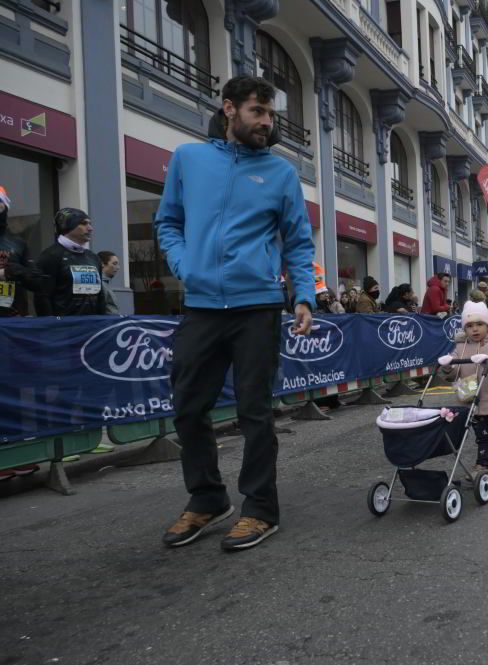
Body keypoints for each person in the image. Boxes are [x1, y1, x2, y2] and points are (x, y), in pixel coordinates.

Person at [155, 75, 315, 552]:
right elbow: (168, 222)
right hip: (201, 306)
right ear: (229, 109)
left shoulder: (281, 172)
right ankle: (207, 499)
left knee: (255, 412)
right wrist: (185, 265)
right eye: (256, 112)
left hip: (258, 307)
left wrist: (303, 296)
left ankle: (260, 509)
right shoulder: (188, 159)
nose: (266, 123)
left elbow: (298, 242)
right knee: (188, 407)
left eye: (270, 114)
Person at [437, 301, 488, 475]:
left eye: (479, 324)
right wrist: (448, 366)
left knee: (483, 433)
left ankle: (482, 466)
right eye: (469, 326)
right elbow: (454, 372)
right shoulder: (461, 346)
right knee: (482, 432)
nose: (475, 329)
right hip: (469, 397)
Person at [34, 208, 106, 316]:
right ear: (67, 226)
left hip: (92, 323)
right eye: (84, 223)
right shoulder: (51, 256)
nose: (90, 228)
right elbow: (42, 296)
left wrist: (102, 320)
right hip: (64, 324)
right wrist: (50, 323)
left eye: (90, 224)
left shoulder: (93, 257)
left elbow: (100, 296)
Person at [0, 187, 43, 317]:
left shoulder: (18, 243)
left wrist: (18, 271)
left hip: (13, 318)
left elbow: (37, 282)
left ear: (5, 207)